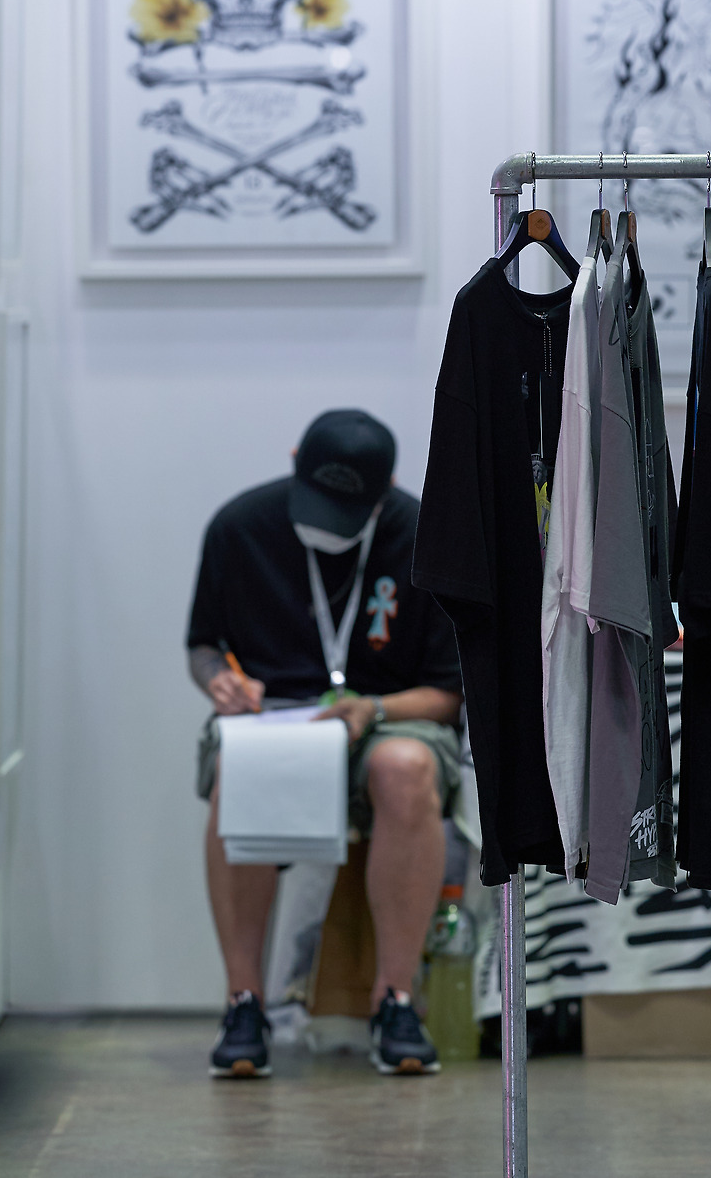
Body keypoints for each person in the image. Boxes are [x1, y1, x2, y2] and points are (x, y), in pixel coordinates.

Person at [186, 409, 464, 1078]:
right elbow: (202, 646)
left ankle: (396, 1001)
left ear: (384, 491)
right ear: (294, 464)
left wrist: (372, 709)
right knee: (238, 769)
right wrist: (220, 681)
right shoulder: (240, 527)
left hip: (389, 715)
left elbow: (447, 694)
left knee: (406, 768)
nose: (330, 525)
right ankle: (243, 1002)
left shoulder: (425, 537)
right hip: (277, 717)